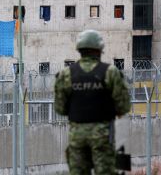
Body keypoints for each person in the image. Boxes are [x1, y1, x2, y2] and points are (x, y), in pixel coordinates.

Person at [54, 30, 130, 175]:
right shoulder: (110, 72)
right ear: (100, 50)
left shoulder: (66, 74)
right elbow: (123, 106)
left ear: (79, 50)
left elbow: (60, 109)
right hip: (102, 135)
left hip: (77, 136)